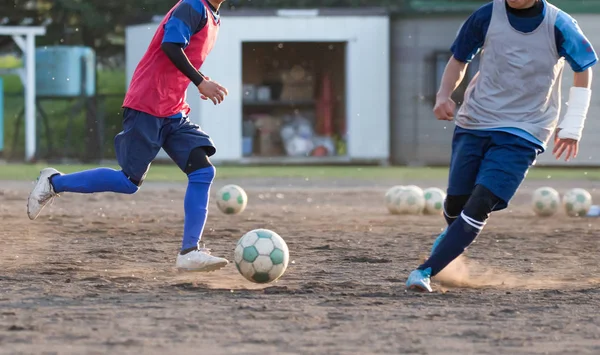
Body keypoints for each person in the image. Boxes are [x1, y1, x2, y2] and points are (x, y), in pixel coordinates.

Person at [406, 0, 597, 292]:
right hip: (475, 121)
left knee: (481, 202)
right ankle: (449, 247)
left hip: (526, 130)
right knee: (456, 205)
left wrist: (573, 124)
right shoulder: (485, 16)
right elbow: (460, 59)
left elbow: (584, 68)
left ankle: (424, 271)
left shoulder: (560, 24)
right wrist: (444, 95)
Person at [27, 0, 231, 272]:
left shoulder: (212, 16)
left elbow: (184, 56)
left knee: (203, 172)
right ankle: (54, 182)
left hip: (172, 110)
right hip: (147, 103)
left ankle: (189, 252)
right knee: (128, 181)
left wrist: (199, 80)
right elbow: (170, 46)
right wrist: (200, 81)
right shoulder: (192, 6)